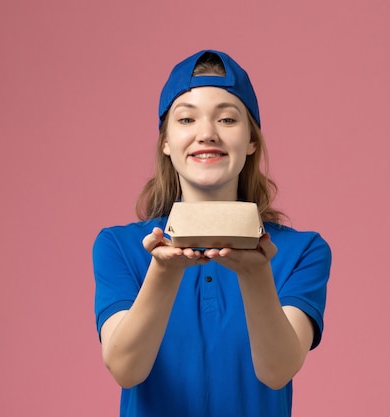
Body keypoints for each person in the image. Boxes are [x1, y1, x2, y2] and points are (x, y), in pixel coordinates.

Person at [93, 50, 332, 417]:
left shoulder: (303, 251)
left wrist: (255, 274)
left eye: (227, 119)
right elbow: (125, 369)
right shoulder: (119, 247)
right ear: (166, 142)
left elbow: (277, 371)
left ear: (251, 140)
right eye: (187, 118)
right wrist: (164, 272)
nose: (207, 134)